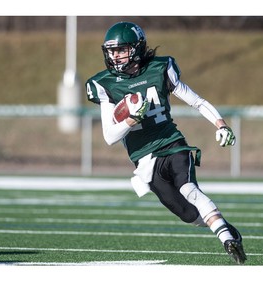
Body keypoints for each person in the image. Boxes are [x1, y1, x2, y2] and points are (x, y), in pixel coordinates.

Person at [85, 21, 247, 265]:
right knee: (189, 215)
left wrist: (220, 124)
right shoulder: (104, 84)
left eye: (121, 49)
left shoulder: (160, 68)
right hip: (145, 160)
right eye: (111, 51)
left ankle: (225, 238)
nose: (115, 56)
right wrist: (131, 119)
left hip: (172, 143)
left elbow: (197, 101)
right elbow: (109, 137)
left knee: (189, 189)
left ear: (137, 49)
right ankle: (226, 227)